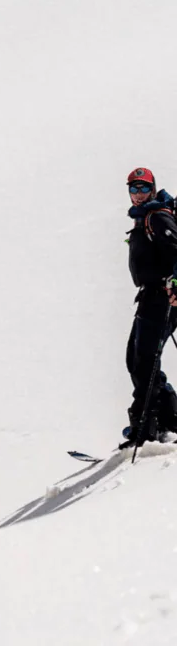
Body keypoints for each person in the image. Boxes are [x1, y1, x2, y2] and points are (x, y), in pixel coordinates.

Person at [124, 167, 177, 445]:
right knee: (136, 360)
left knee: (144, 361)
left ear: (153, 189)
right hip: (150, 297)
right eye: (134, 189)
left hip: (162, 298)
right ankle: (163, 421)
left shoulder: (158, 217)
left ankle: (153, 428)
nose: (139, 194)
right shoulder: (144, 218)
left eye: (144, 188)